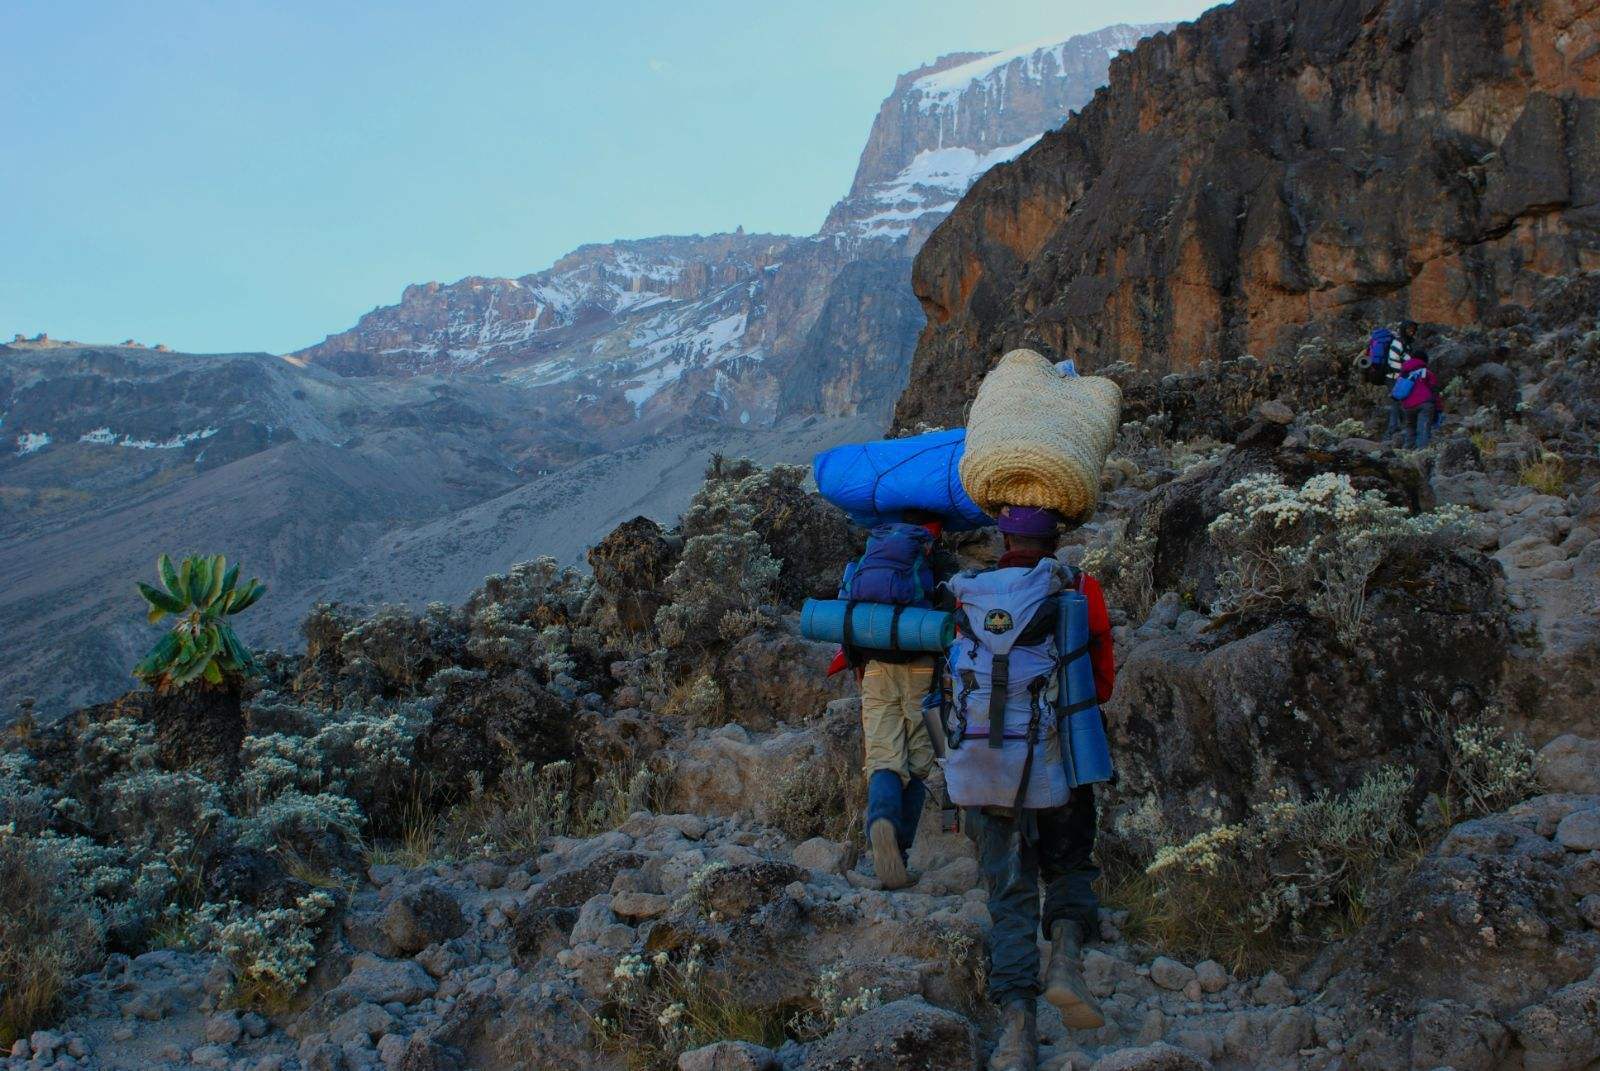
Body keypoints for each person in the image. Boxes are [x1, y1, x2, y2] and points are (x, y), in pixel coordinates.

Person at [953, 505, 1117, 1071]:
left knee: (1009, 896)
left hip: (986, 767)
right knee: (1069, 869)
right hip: (1059, 763)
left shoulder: (970, 592)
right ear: (1056, 538)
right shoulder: (1079, 589)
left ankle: (1018, 1034)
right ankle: (1067, 964)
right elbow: (1101, 683)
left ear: (1003, 537)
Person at [844, 508, 952, 890]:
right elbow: (950, 618)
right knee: (919, 762)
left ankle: (882, 823)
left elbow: (848, 610)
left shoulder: (870, 555)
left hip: (874, 666)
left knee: (884, 757)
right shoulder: (935, 558)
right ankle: (899, 854)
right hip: (921, 667)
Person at [1396, 350, 1442, 449]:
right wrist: (1438, 409)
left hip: (1407, 406)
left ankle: (1407, 452)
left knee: (1410, 428)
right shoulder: (1427, 373)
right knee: (1423, 429)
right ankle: (1422, 453)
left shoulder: (1403, 373)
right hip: (1425, 403)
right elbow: (1435, 392)